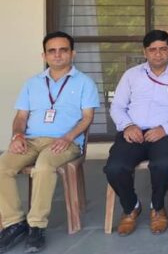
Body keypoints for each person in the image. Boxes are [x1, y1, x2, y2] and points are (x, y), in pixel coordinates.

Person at [0, 32, 98, 253]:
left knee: (44, 166)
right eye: (52, 51)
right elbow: (21, 117)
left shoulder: (85, 82)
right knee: (2, 166)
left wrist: (68, 137)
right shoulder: (32, 83)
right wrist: (17, 135)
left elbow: (87, 118)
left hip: (65, 142)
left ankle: (36, 226)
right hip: (30, 140)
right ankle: (14, 223)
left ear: (72, 53)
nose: (57, 55)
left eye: (63, 50)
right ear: (44, 55)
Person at [103, 30, 168, 236]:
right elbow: (117, 106)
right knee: (114, 168)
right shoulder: (131, 75)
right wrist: (127, 126)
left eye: (163, 49)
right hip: (133, 132)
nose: (158, 54)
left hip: (165, 133)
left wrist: (165, 129)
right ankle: (131, 207)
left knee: (163, 164)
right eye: (153, 50)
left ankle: (157, 207)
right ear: (145, 52)